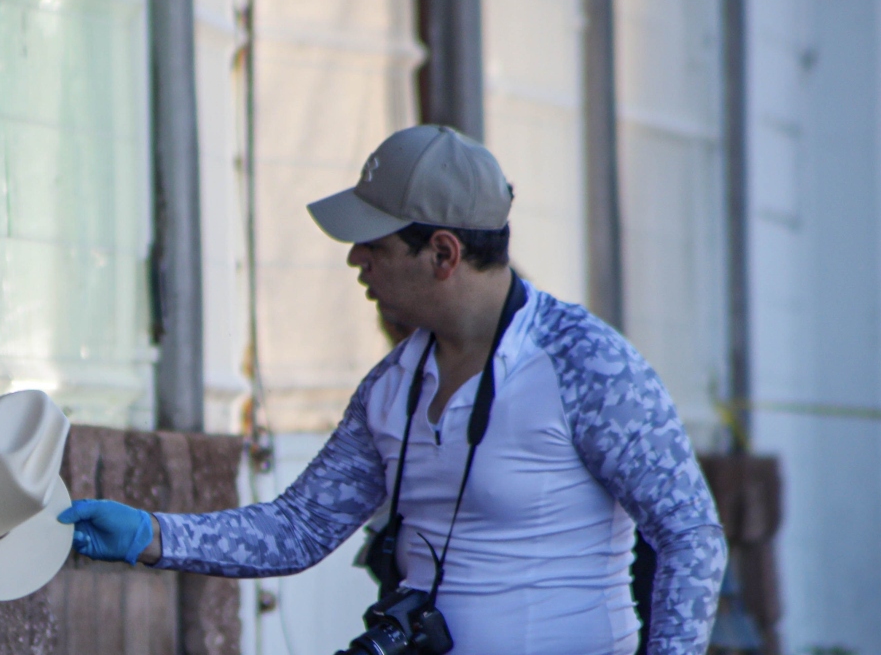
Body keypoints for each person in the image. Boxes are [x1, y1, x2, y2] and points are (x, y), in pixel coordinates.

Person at [58, 125, 727, 654]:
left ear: (443, 254)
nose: (356, 259)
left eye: (372, 243)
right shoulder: (391, 384)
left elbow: (691, 535)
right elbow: (298, 529)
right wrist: (149, 534)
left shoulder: (588, 363)